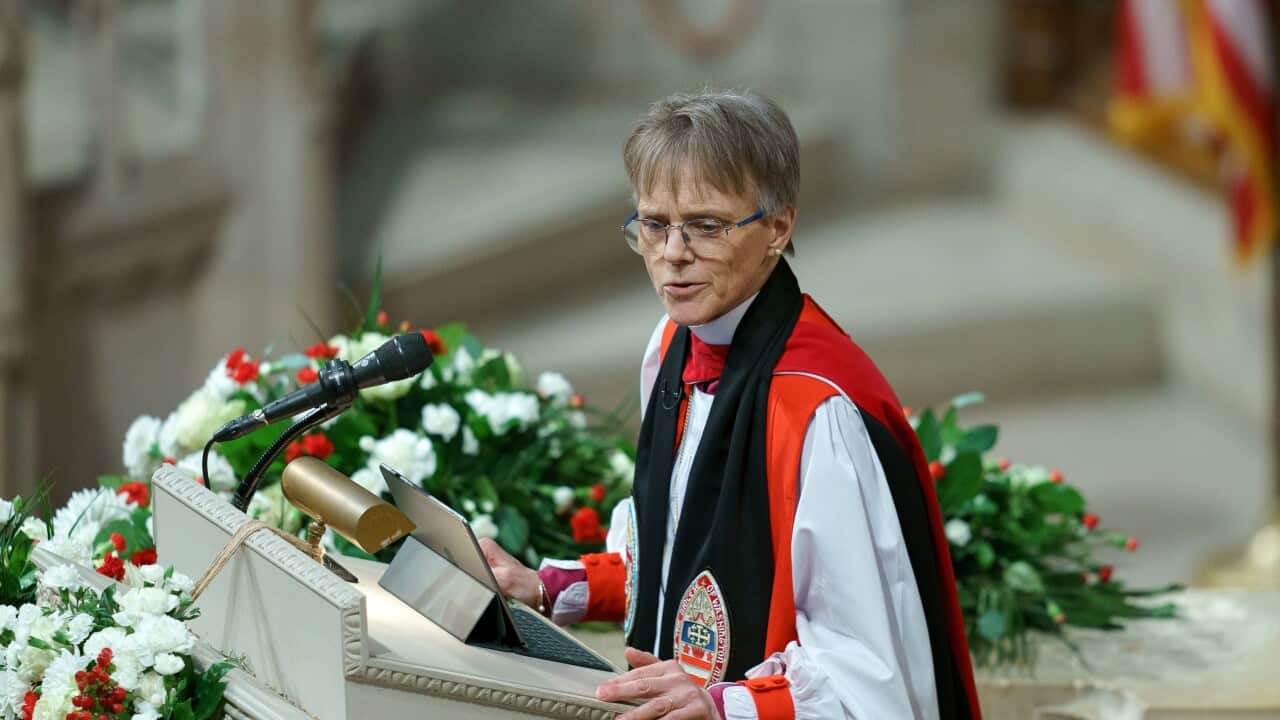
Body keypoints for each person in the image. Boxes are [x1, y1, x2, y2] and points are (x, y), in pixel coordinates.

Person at [481, 89, 981, 720]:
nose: (673, 254)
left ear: (778, 227)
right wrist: (549, 587)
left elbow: (867, 677)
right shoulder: (671, 348)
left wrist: (723, 706)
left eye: (707, 226)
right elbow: (676, 559)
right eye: (654, 224)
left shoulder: (815, 410)